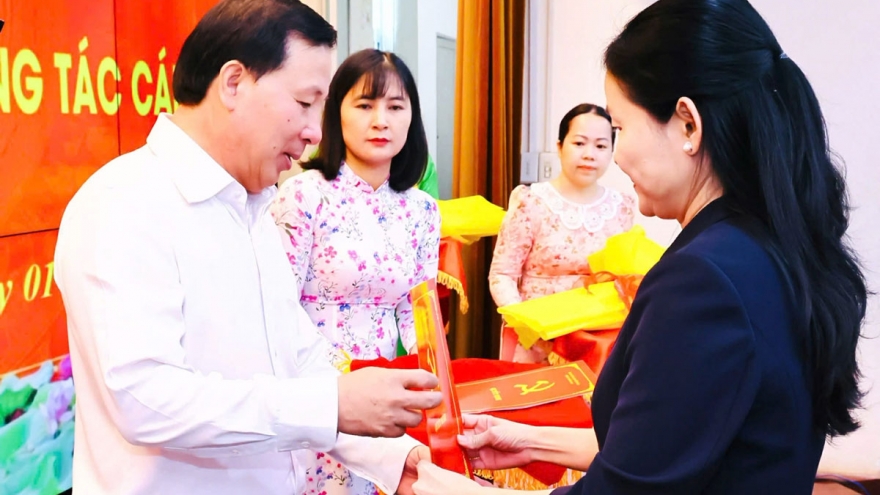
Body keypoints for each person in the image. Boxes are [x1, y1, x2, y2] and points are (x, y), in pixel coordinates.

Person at [411, 0, 868, 493]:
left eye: (619, 129)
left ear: (688, 125)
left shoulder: (704, 280)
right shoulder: (767, 244)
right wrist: (530, 440)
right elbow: (670, 446)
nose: (616, 155)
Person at [53, 2, 442, 494]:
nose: (315, 131)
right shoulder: (124, 203)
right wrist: (331, 406)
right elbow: (144, 400)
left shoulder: (254, 208)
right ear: (234, 82)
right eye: (304, 103)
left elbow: (298, 357)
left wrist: (394, 459)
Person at [271, 48, 439, 494]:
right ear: (337, 113)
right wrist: (334, 380)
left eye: (395, 107)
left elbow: (417, 313)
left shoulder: (423, 210)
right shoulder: (304, 195)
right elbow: (278, 308)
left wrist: (434, 381)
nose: (380, 121)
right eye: (365, 105)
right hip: (314, 391)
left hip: (386, 395)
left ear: (412, 118)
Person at [489, 103, 634, 363]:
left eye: (601, 146)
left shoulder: (622, 206)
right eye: (579, 143)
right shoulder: (531, 201)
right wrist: (526, 323)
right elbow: (502, 274)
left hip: (595, 344)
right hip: (536, 341)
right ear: (559, 146)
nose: (589, 155)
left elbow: (624, 278)